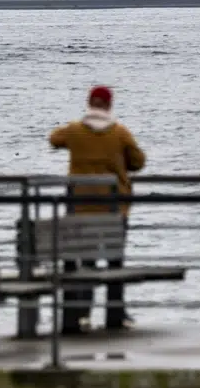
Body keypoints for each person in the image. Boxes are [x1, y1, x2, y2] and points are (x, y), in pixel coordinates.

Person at [48, 85, 146, 333]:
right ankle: (115, 314)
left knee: (86, 262)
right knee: (115, 262)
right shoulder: (120, 132)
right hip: (114, 210)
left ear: (89, 103)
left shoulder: (75, 131)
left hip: (80, 209)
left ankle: (81, 313)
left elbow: (54, 139)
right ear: (109, 105)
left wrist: (77, 136)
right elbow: (138, 161)